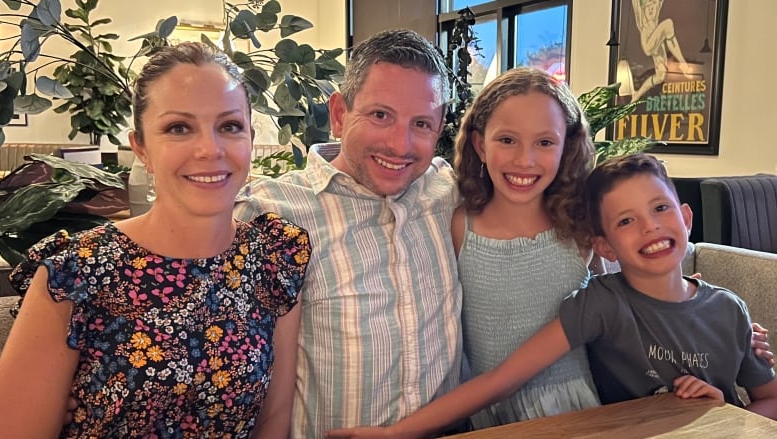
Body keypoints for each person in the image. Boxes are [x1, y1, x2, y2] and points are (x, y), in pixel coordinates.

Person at [326, 153, 777, 438]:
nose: (650, 227)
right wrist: (400, 432)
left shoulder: (730, 309)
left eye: (660, 209)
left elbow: (767, 398)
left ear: (685, 218)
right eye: (625, 221)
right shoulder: (602, 303)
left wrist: (720, 410)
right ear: (601, 246)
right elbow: (502, 378)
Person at [0, 42, 310, 438]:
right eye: (179, 128)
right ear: (141, 147)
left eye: (230, 126)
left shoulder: (274, 260)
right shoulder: (77, 272)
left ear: (250, 136)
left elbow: (272, 421)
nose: (209, 149)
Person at [234, 29, 463, 437]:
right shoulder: (269, 212)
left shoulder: (445, 188)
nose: (400, 144)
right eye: (380, 115)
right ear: (339, 114)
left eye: (421, 123)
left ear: (439, 126)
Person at [452, 67, 599, 428]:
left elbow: (627, 300)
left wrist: (711, 311)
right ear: (479, 144)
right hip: (487, 413)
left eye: (545, 142)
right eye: (507, 140)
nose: (524, 160)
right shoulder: (457, 224)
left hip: (579, 413)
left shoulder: (582, 226)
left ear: (567, 147)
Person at [630, 0, 692, 102]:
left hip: (657, 42)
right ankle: (683, 64)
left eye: (653, 7)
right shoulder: (641, 15)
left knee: (661, 76)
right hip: (648, 44)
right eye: (648, 7)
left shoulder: (656, 9)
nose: (650, 9)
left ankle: (637, 94)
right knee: (668, 24)